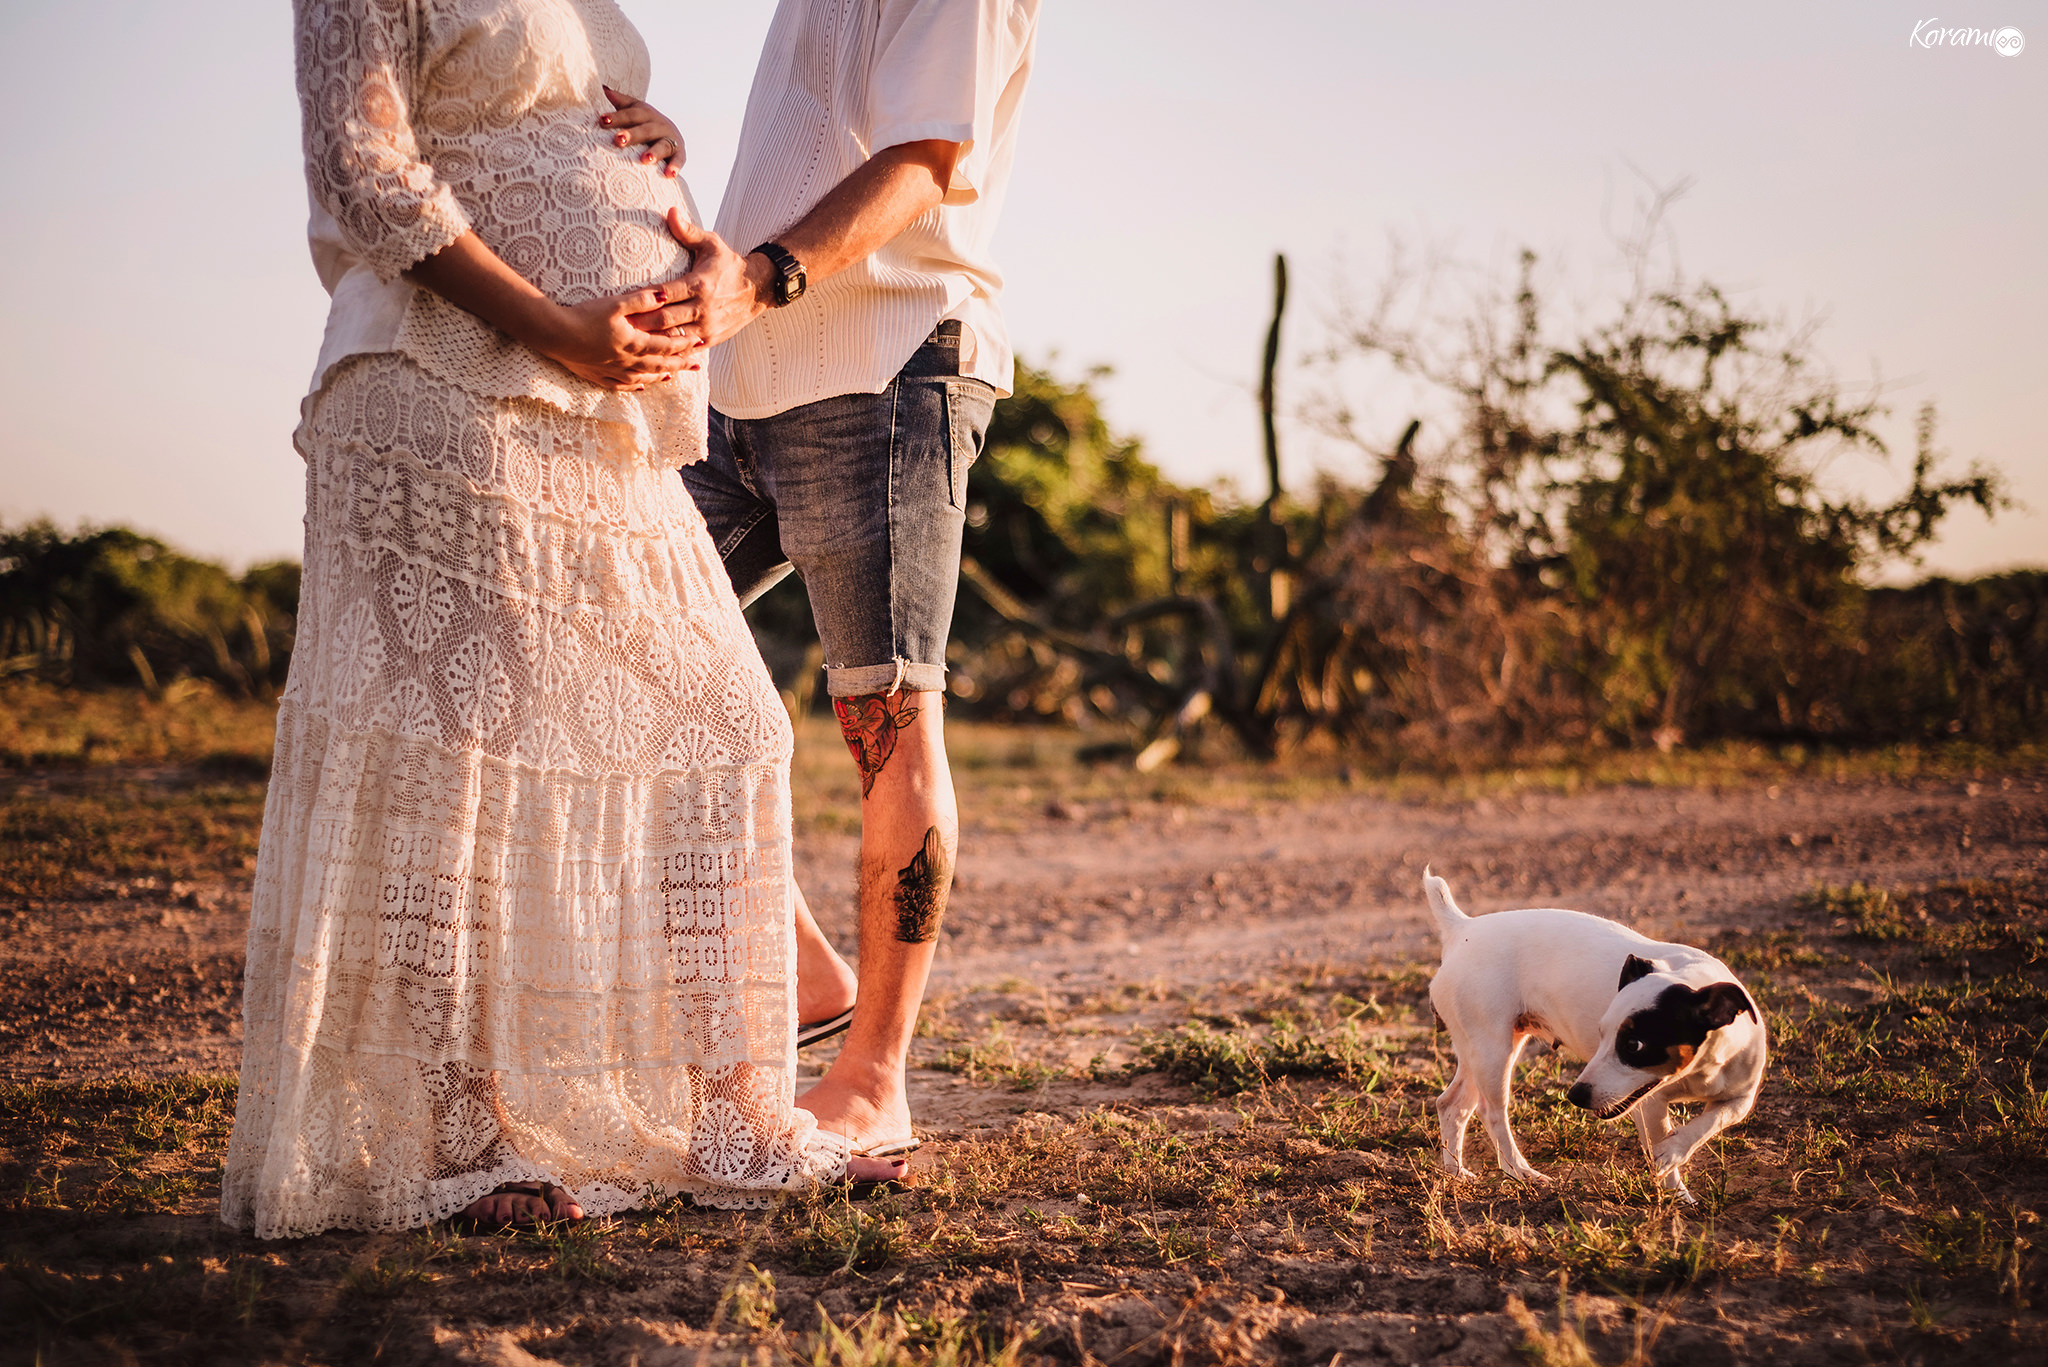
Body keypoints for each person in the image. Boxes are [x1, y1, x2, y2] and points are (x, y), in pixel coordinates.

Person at [223, 0, 902, 1240]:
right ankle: (465, 1145)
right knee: (461, 760)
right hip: (445, 384)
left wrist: (651, 157)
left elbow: (537, 109)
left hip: (606, 419)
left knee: (724, 723)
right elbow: (363, 169)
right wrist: (560, 327)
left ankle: (737, 1126)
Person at [605, 0, 1042, 1157]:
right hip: (734, 379)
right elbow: (815, 146)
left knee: (885, 712)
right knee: (607, 640)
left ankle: (872, 1081)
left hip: (887, 362)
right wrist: (683, 180)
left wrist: (757, 277)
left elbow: (921, 165)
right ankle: (797, 959)